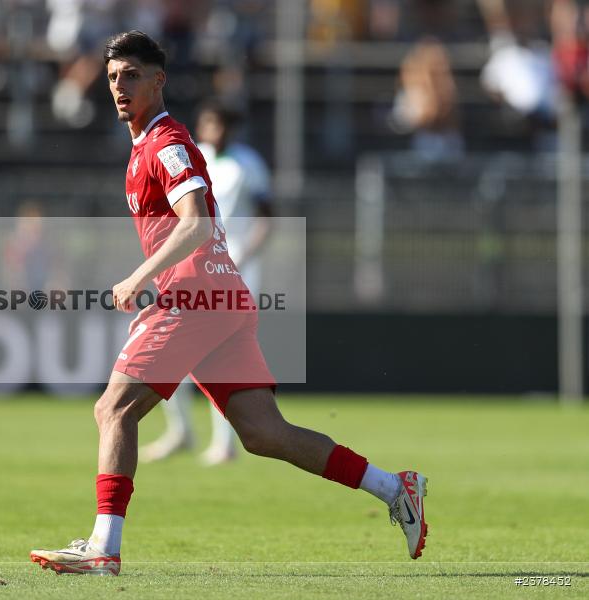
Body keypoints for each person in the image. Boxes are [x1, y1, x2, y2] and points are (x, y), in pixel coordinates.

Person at [29, 30, 428, 577]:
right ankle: (393, 487)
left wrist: (140, 276)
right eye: (114, 77)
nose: (120, 87)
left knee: (114, 409)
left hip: (193, 294)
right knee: (265, 434)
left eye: (132, 76)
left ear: (159, 80)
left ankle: (103, 545)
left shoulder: (166, 142)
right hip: (221, 295)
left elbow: (196, 224)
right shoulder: (147, 142)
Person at [139, 101, 273, 466]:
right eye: (207, 122)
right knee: (173, 351)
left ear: (230, 127)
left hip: (234, 271)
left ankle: (223, 442)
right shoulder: (193, 158)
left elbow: (266, 217)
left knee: (222, 357)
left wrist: (246, 254)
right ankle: (181, 430)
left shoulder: (248, 164)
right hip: (193, 270)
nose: (212, 129)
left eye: (217, 123)